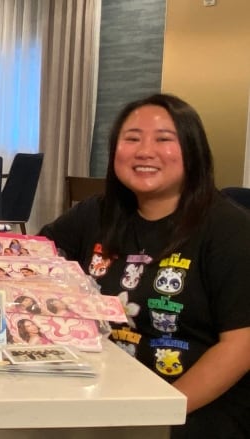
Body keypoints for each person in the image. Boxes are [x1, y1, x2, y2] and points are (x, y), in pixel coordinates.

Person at [38, 93, 250, 438]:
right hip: (102, 389)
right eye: (132, 138)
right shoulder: (97, 213)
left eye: (164, 139)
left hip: (192, 406)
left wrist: (159, 408)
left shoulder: (229, 229)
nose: (144, 151)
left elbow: (241, 346)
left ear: (193, 152)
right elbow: (32, 261)